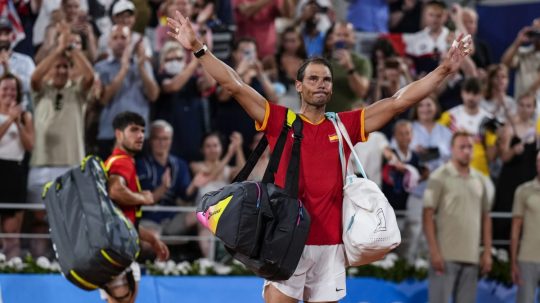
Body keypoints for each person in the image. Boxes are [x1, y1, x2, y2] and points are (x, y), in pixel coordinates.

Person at [167, 10, 472, 302]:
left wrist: (444, 69)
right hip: (285, 243)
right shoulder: (279, 120)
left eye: (325, 79)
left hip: (330, 247)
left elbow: (397, 102)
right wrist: (198, 47)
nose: (321, 85)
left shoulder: (344, 125)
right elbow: (234, 84)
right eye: (312, 79)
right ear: (298, 86)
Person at [102, 112, 169, 303]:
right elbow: (115, 190)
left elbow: (124, 220)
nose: (140, 135)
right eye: (133, 130)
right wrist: (142, 197)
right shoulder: (122, 161)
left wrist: (152, 240)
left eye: (142, 131)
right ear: (118, 134)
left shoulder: (117, 161)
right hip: (118, 250)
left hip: (117, 246)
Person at [423, 131, 493, 303]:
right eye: (462, 147)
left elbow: (486, 217)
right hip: (444, 257)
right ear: (451, 149)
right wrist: (434, 252)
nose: (467, 151)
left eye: (470, 147)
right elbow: (427, 215)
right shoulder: (438, 176)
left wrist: (487, 253)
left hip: (471, 257)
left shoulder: (480, 180)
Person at [94, 24, 159, 159]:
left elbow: (153, 95)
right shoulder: (100, 67)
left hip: (138, 135)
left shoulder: (143, 65)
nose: (119, 41)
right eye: (115, 38)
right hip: (109, 133)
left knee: (138, 179)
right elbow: (103, 98)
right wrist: (124, 69)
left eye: (123, 37)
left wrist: (141, 68)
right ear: (109, 42)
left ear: (129, 42)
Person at [136, 120, 202, 238]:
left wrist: (195, 185)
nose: (161, 143)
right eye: (157, 138)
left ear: (171, 141)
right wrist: (163, 187)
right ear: (150, 140)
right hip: (149, 218)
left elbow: (185, 196)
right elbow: (146, 200)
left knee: (204, 214)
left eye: (165, 138)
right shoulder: (141, 164)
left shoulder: (180, 164)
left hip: (172, 216)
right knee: (153, 238)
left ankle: (208, 256)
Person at [190, 131, 245, 258]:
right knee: (206, 232)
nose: (212, 149)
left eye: (215, 145)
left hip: (225, 214)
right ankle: (211, 267)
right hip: (203, 214)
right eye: (208, 146)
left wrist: (238, 148)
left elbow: (243, 175)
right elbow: (210, 175)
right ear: (202, 149)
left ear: (221, 148)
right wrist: (229, 154)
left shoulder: (228, 170)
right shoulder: (196, 166)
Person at [493, 93, 537, 246]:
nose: (525, 109)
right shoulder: (508, 128)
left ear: (533, 108)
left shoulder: (536, 130)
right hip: (510, 180)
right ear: (517, 106)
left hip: (529, 178)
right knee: (506, 216)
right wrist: (513, 150)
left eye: (529, 106)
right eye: (522, 105)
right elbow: (503, 157)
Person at [0, 74, 34, 259]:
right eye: (5, 88)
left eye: (13, 89)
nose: (9, 92)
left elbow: (30, 146)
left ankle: (12, 266)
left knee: (11, 232)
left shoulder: (25, 116)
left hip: (15, 171)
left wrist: (18, 123)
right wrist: (8, 120)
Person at [510, 150, 540, 303]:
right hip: (528, 258)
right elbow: (515, 229)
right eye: (539, 161)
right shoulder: (523, 191)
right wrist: (513, 261)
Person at [501, 17, 540, 100]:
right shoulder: (522, 52)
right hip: (521, 104)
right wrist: (518, 42)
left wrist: (528, 95)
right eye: (535, 31)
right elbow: (504, 63)